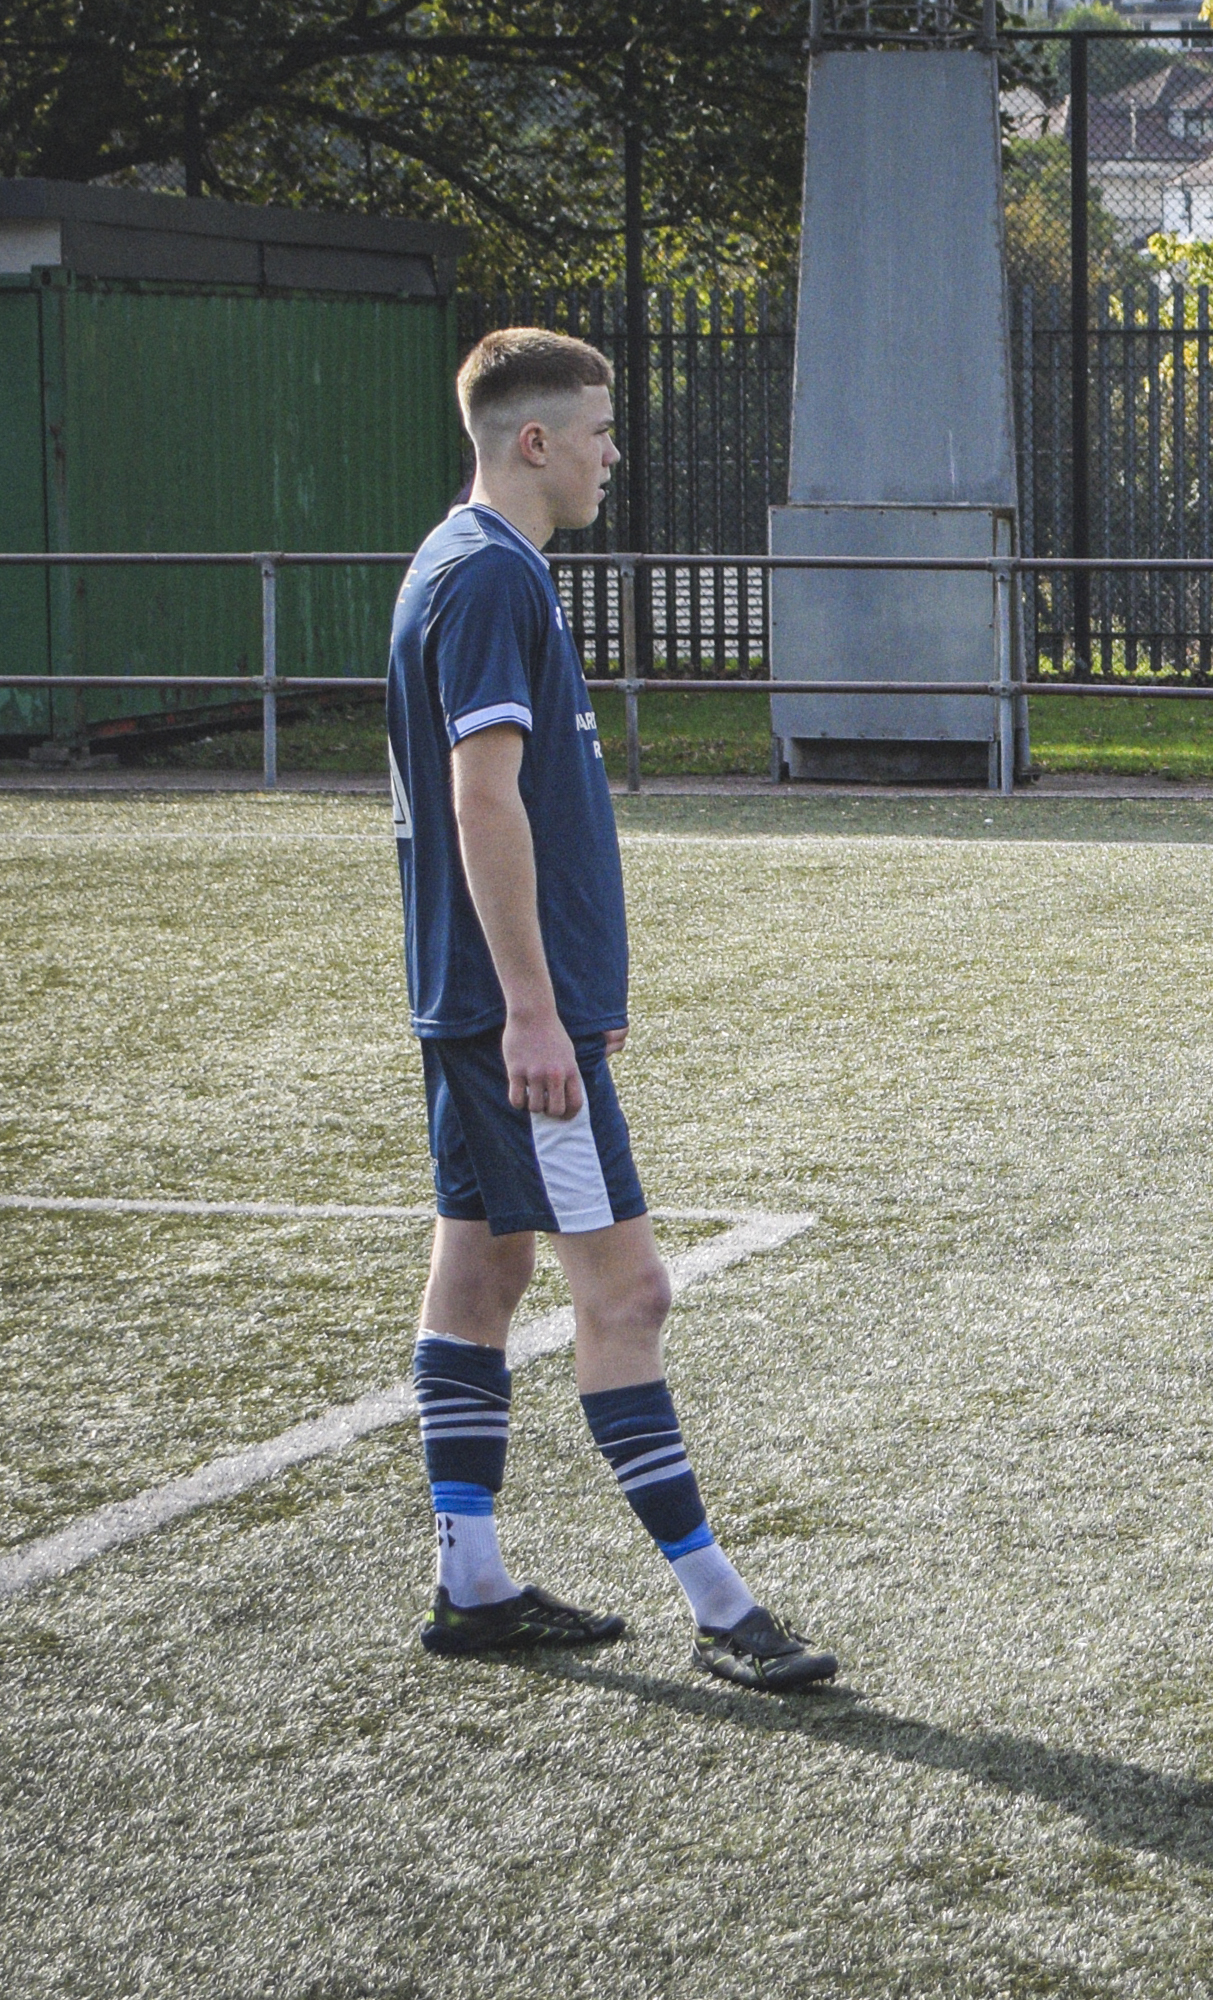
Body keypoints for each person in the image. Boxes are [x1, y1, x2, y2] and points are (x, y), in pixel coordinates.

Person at [385, 328, 835, 1689]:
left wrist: (551, 991)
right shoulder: (489, 578)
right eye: (597, 431)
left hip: (488, 1007)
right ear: (533, 441)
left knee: (483, 1269)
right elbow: (482, 795)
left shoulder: (467, 566)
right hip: (509, 1017)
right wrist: (539, 1008)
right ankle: (719, 1608)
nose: (611, 455)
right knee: (626, 1294)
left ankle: (473, 1581)